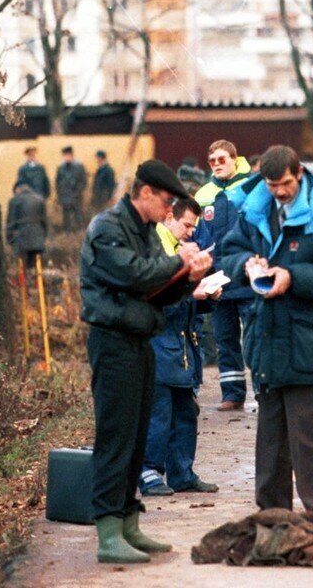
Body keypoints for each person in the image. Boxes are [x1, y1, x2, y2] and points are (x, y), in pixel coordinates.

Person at [80, 159, 212, 564]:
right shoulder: (107, 228)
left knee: (138, 436)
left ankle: (128, 522)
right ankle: (107, 531)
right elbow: (134, 276)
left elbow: (158, 290)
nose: (170, 210)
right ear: (146, 194)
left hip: (142, 341)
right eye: (167, 201)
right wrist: (179, 263)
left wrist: (188, 278)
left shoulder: (147, 232)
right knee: (116, 436)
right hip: (113, 341)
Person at [219, 145, 313, 512]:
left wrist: (291, 277)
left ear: (299, 174)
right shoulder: (254, 211)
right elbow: (227, 252)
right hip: (267, 340)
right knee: (270, 441)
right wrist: (246, 265)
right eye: (270, 183)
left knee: (309, 442)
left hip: (309, 341)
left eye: (283, 184)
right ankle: (273, 516)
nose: (278, 191)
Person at [140, 198, 221, 497]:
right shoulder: (157, 253)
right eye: (187, 225)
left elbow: (184, 307)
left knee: (185, 412)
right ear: (170, 217)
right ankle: (149, 473)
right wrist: (192, 292)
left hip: (183, 347)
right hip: (160, 346)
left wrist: (207, 297)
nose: (190, 233)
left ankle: (181, 473)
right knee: (159, 414)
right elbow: (158, 303)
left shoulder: (179, 252)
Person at [194, 139, 254, 411]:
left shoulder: (252, 187)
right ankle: (232, 393)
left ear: (234, 158)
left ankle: (265, 390)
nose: (217, 165)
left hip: (246, 276)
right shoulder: (203, 194)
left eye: (222, 159)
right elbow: (197, 236)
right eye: (212, 161)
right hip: (217, 278)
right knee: (224, 338)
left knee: (255, 336)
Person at [5, 181, 48, 268]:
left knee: (22, 267)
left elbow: (11, 222)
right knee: (37, 266)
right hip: (38, 238)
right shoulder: (39, 199)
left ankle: (26, 281)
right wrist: (44, 237)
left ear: (17, 190)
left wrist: (9, 239)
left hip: (22, 238)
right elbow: (44, 222)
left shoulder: (14, 201)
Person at [55, 146, 87, 232]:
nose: (66, 157)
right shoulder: (61, 167)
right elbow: (57, 182)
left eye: (68, 155)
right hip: (65, 196)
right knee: (66, 217)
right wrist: (60, 195)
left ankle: (78, 233)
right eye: (65, 155)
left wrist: (78, 192)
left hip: (76, 196)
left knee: (78, 216)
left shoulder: (79, 166)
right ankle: (67, 234)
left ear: (72, 155)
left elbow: (83, 181)